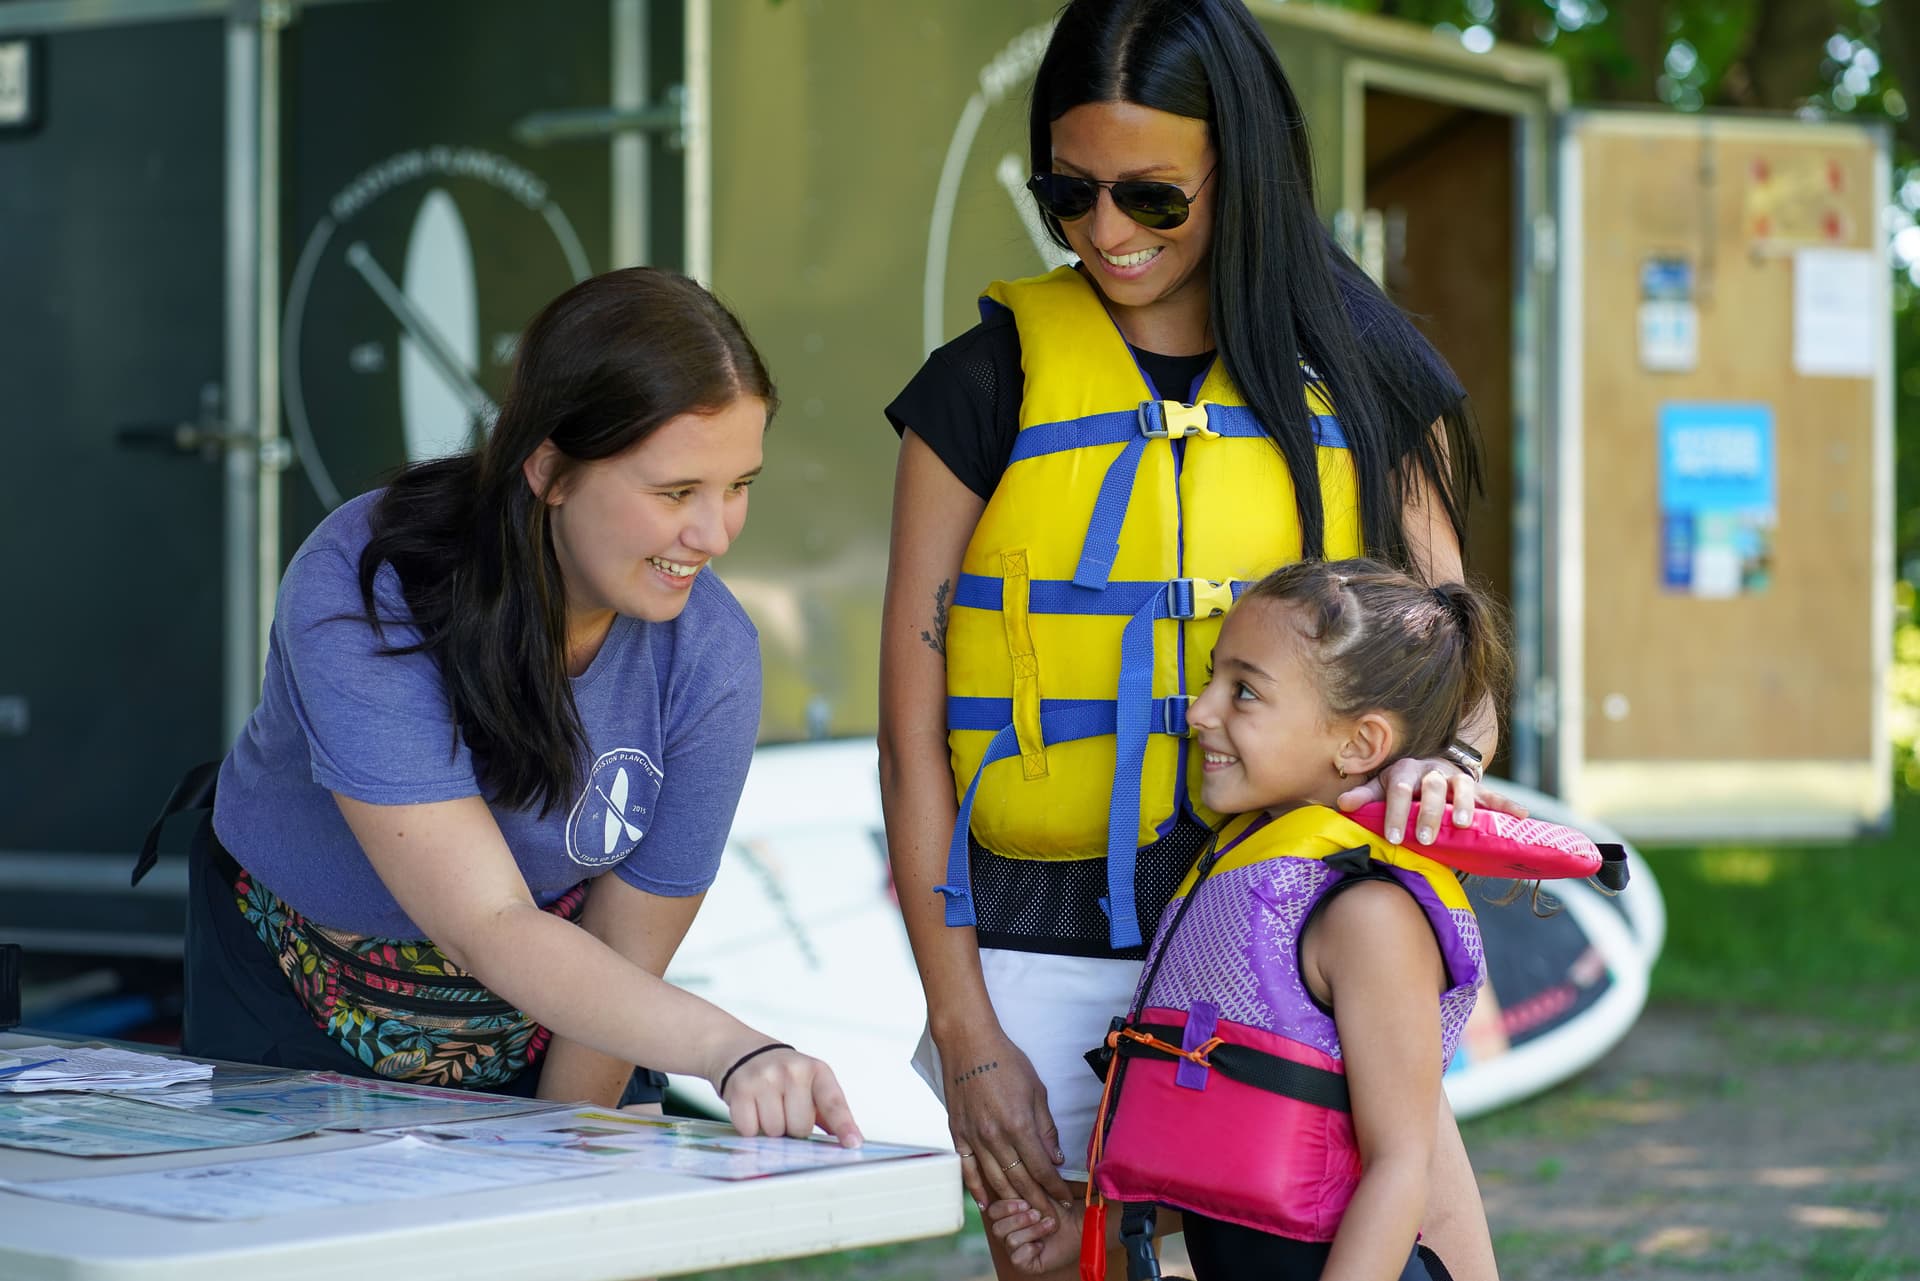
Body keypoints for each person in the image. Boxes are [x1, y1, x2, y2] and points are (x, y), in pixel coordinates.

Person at [878, 0, 1509, 1275]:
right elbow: (910, 739)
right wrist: (966, 1030)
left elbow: (1460, 670)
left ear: (1243, 170)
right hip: (1042, 947)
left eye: (1153, 198)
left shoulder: (1366, 374)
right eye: (1070, 193)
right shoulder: (982, 383)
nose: (1106, 233)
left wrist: (1461, 764)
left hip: (1305, 949)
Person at [177, 267, 860, 1146]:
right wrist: (734, 1050)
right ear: (550, 469)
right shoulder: (365, 582)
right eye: (675, 492)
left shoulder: (713, 655)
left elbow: (622, 951)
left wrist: (561, 1154)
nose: (715, 534)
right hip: (299, 973)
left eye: (739, 486)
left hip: (572, 991)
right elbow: (486, 923)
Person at [985, 559, 1509, 1280]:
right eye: (1211, 680)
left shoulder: (1370, 915)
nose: (1200, 711)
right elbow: (1256, 1149)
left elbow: (1398, 1168)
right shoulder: (1252, 875)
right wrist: (1083, 1231)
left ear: (1360, 743)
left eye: (1245, 692)